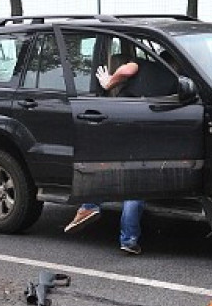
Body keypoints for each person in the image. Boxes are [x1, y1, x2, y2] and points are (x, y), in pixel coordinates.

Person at [64, 49, 181, 255]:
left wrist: (109, 82)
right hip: (145, 127)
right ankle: (128, 239)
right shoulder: (175, 79)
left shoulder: (143, 64)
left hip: (121, 118)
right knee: (135, 184)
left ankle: (90, 205)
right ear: (175, 63)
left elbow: (127, 70)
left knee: (110, 167)